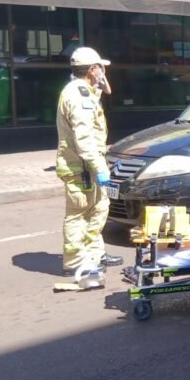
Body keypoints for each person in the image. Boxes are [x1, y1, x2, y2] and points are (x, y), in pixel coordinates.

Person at [54, 46, 123, 277]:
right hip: (80, 167)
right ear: (92, 69)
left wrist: (100, 85)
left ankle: (94, 253)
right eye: (100, 67)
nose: (104, 71)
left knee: (99, 208)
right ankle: (74, 262)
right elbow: (84, 138)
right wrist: (100, 168)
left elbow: (107, 93)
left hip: (88, 165)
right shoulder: (78, 95)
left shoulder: (87, 91)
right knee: (78, 213)